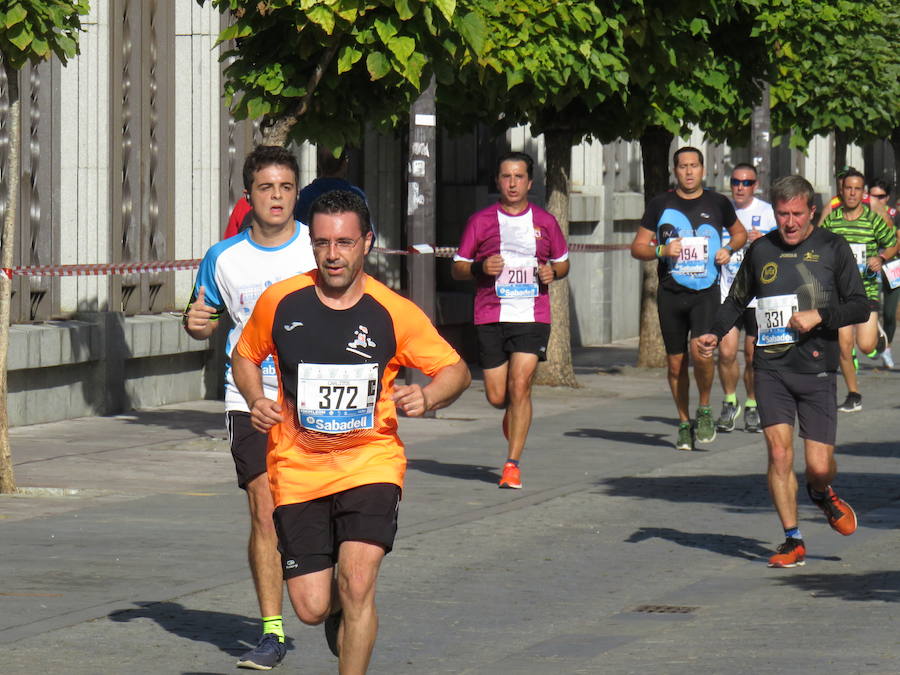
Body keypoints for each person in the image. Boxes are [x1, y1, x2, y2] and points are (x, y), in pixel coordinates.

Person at [232, 190, 471, 674]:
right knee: (311, 606)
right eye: (322, 243)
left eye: (344, 242)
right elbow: (244, 356)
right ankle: (334, 609)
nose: (333, 255)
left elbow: (456, 370)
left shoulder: (393, 311)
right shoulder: (280, 301)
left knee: (359, 581)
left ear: (367, 243)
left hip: (371, 461)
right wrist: (256, 397)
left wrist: (429, 395)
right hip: (298, 467)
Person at [184, 145, 316, 670]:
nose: (277, 197)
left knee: (309, 508)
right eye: (267, 187)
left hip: (315, 397)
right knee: (264, 508)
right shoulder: (224, 257)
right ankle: (271, 630)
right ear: (249, 196)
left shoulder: (317, 246)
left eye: (286, 187)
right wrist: (195, 324)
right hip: (249, 398)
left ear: (296, 193)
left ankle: (324, 594)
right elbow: (202, 315)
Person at [698, 175, 869, 568]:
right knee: (778, 453)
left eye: (796, 214)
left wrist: (820, 316)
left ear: (812, 211)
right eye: (781, 214)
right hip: (771, 367)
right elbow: (736, 299)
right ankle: (792, 539)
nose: (789, 222)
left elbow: (859, 306)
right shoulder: (761, 250)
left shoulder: (832, 247)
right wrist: (713, 332)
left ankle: (823, 493)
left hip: (817, 369)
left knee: (818, 467)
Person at [451, 151, 569, 489]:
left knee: (520, 385)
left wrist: (552, 272)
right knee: (497, 396)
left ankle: (512, 464)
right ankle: (514, 412)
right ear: (498, 181)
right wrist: (478, 267)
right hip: (490, 315)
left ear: (530, 183)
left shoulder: (545, 222)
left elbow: (562, 263)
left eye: (519, 177)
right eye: (506, 176)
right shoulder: (481, 221)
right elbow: (457, 267)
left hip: (532, 316)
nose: (512, 183)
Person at [630, 147, 746, 450]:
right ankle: (683, 422)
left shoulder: (718, 203)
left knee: (703, 353)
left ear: (704, 170)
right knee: (675, 364)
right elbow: (637, 247)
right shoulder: (660, 204)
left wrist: (728, 249)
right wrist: (662, 251)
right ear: (675, 171)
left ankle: (705, 409)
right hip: (670, 294)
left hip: (705, 292)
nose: (689, 172)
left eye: (694, 166)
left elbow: (740, 234)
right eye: (683, 166)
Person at [820, 169, 897, 412]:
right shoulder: (832, 220)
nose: (852, 193)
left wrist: (881, 257)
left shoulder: (873, 220)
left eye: (857, 189)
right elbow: (818, 245)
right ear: (841, 191)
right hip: (840, 294)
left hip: (866, 292)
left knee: (864, 346)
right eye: (848, 188)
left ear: (863, 193)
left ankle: (877, 337)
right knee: (844, 345)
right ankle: (854, 394)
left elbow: (894, 244)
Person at [715, 163, 777, 433]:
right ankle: (730, 401)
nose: (740, 187)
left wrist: (764, 238)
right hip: (727, 292)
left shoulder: (766, 212)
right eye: (736, 182)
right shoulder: (721, 210)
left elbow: (786, 242)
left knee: (752, 356)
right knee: (726, 352)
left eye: (747, 182)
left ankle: (752, 403)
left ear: (756, 185)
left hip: (757, 296)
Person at [294, 146, 369, 228]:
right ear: (344, 164)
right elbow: (368, 231)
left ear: (319, 163)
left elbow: (298, 226)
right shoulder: (356, 194)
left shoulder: (306, 194)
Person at [869, 179, 898, 368]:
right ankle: (871, 343)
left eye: (880, 196)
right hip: (871, 265)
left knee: (889, 312)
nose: (875, 200)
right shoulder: (862, 214)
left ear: (887, 198)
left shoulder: (894, 215)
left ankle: (887, 346)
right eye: (872, 195)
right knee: (871, 308)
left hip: (893, 265)